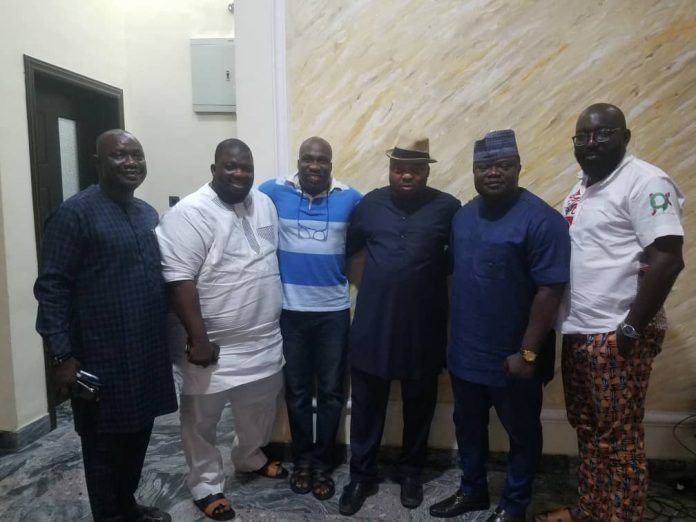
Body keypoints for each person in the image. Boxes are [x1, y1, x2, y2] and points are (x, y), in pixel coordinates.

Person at [535, 104, 686, 522]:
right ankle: (590, 510)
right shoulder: (583, 186)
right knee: (589, 430)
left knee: (619, 441)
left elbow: (668, 260)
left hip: (617, 333)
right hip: (580, 329)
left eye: (602, 134)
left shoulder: (645, 181)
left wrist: (631, 330)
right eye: (582, 136)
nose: (591, 143)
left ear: (625, 136)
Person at [34, 130, 176, 522]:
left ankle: (127, 506)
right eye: (120, 155)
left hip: (145, 353)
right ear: (98, 163)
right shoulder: (74, 214)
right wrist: (61, 355)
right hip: (100, 356)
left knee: (138, 437)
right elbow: (51, 287)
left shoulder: (146, 213)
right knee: (103, 449)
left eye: (137, 155)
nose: (131, 163)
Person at [429, 130, 570, 522]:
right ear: (474, 171)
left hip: (516, 358)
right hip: (466, 353)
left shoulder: (542, 220)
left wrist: (528, 353)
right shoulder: (463, 217)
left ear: (519, 167)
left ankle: (514, 504)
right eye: (483, 166)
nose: (493, 173)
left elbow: (551, 291)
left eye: (503, 165)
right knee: (467, 426)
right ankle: (473, 490)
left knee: (521, 433)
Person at [156, 138, 286, 521]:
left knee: (259, 409)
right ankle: (205, 484)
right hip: (211, 346)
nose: (239, 173)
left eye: (246, 167)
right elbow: (178, 279)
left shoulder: (264, 204)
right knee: (202, 419)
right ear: (214, 169)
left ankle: (249, 457)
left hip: (263, 338)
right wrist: (198, 339)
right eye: (230, 166)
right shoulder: (189, 213)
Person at [338, 137, 461, 516]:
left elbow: (455, 259)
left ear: (427, 171)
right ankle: (361, 476)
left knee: (419, 407)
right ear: (390, 170)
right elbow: (349, 249)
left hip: (424, 327)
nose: (406, 175)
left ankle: (411, 473)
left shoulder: (447, 208)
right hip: (374, 324)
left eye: (415, 169)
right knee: (367, 408)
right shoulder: (369, 205)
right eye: (399, 168)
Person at [258, 137, 362, 500]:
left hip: (333, 312)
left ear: (331, 164)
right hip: (290, 312)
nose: (314, 166)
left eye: (322, 160)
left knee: (332, 392)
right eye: (307, 159)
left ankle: (324, 463)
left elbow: (368, 238)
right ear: (299, 161)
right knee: (298, 391)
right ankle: (302, 460)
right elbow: (244, 215)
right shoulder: (273, 191)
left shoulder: (351, 197)